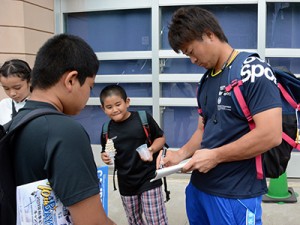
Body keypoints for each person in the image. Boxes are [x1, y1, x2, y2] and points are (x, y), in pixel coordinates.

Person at [158, 6, 282, 225]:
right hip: (199, 189)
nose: (192, 61)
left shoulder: (252, 70)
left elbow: (271, 135)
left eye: (191, 51)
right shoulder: (205, 81)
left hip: (236, 194)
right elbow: (202, 130)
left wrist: (215, 156)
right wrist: (180, 155)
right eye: (187, 55)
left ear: (208, 34)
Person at [10, 34, 116, 225]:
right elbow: (92, 222)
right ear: (71, 80)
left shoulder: (16, 122)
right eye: (90, 87)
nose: (88, 96)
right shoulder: (64, 132)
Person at [100, 84, 169, 225]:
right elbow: (104, 150)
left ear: (127, 102)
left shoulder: (142, 118)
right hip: (126, 182)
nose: (115, 110)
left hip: (149, 177)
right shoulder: (107, 129)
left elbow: (161, 138)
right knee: (134, 220)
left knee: (156, 220)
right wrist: (104, 156)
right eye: (109, 107)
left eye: (118, 104)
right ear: (103, 109)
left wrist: (151, 150)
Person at [0, 59, 31, 125]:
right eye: (6, 88)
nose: (12, 94)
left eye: (17, 88)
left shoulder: (42, 104)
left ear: (30, 81)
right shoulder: (3, 105)